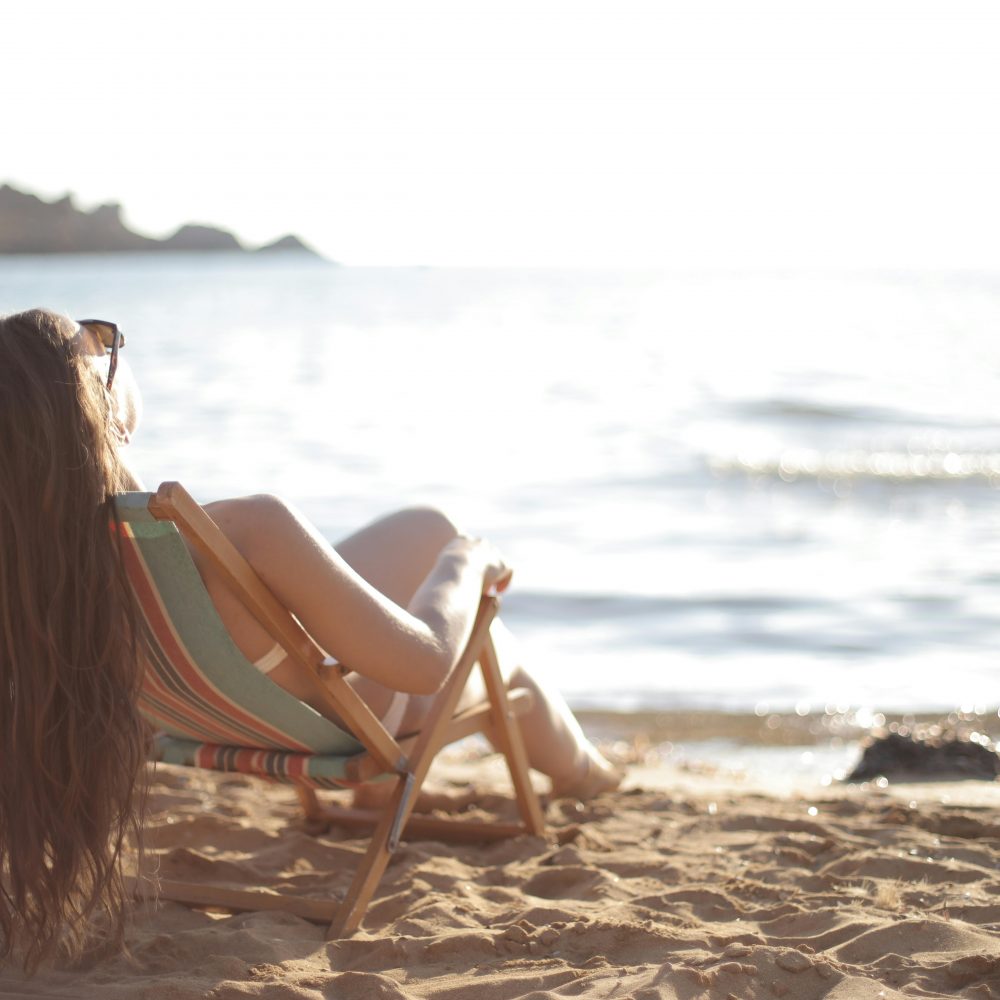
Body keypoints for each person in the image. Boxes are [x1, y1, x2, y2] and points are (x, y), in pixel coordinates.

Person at [0, 308, 620, 967]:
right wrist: (466, 563)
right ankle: (588, 775)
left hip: (229, 714)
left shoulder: (40, 572)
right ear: (94, 393)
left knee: (421, 527)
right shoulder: (244, 530)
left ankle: (560, 772)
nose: (114, 348)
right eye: (103, 344)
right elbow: (428, 664)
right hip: (350, 720)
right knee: (486, 641)